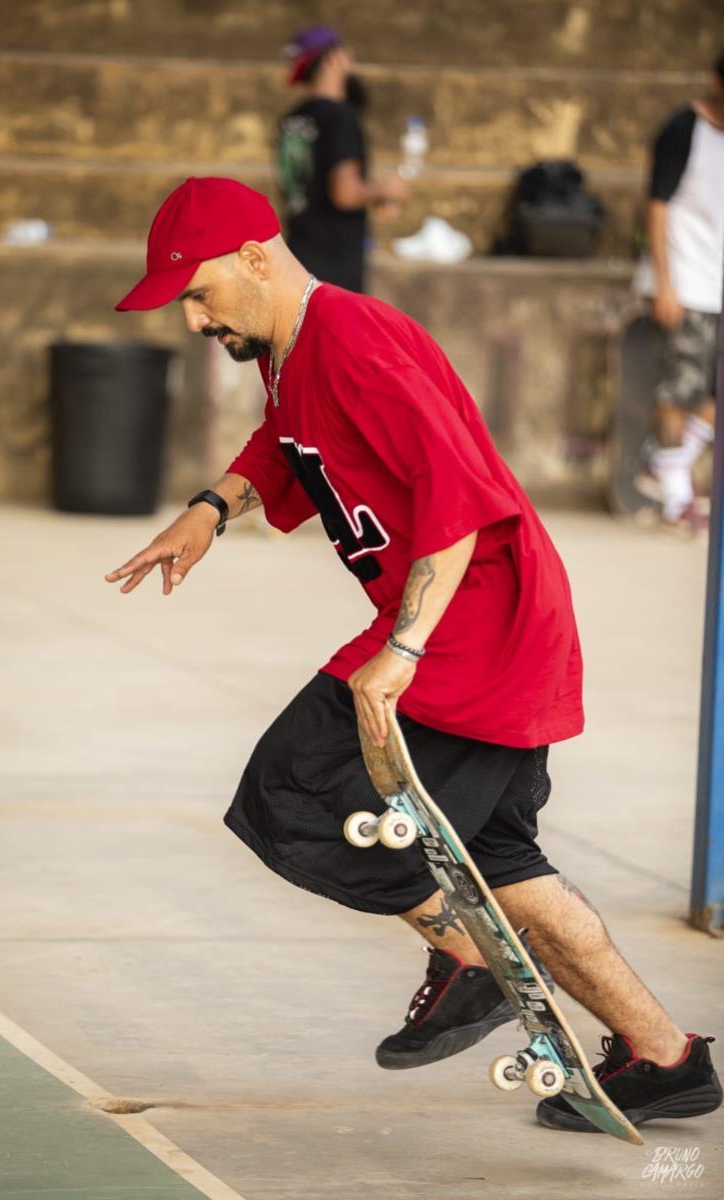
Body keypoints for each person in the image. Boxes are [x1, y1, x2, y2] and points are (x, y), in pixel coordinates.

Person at [107, 176, 722, 1133]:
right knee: (500, 859)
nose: (193, 319)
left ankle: (466, 958)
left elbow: (461, 497)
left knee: (289, 786)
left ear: (256, 259)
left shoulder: (352, 340)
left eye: (199, 294)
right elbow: (284, 442)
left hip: (476, 631)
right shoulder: (291, 350)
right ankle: (665, 1055)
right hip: (490, 626)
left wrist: (401, 647)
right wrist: (209, 511)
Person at [634, 51, 724, 531]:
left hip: (717, 281)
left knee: (711, 395)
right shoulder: (684, 128)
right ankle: (675, 498)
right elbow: (657, 206)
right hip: (686, 280)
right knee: (679, 388)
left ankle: (662, 464)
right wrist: (664, 282)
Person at [276, 25, 407, 293]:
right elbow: (345, 193)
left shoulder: (292, 119)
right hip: (334, 258)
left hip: (298, 251)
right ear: (334, 58)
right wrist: (385, 190)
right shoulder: (341, 116)